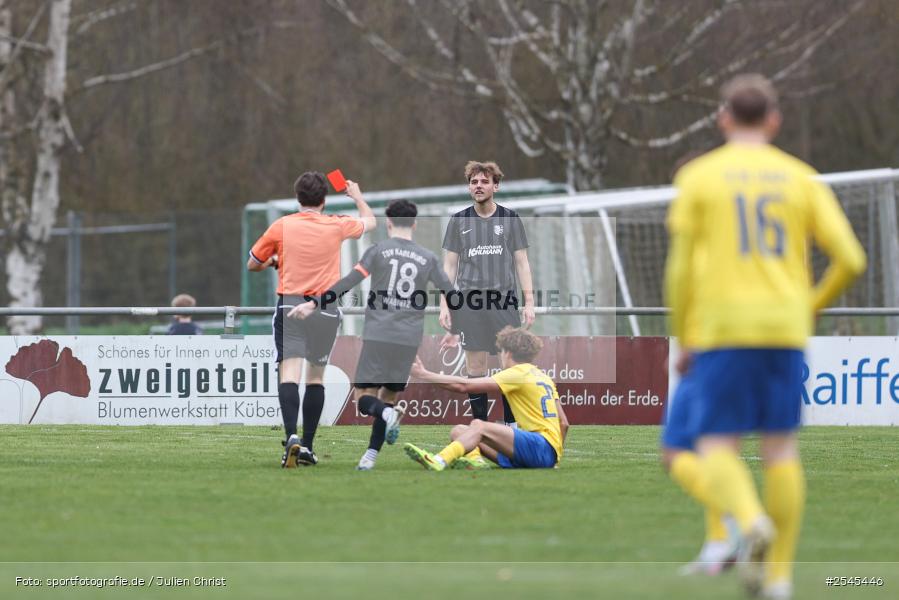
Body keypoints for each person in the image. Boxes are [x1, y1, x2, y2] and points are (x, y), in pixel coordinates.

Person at [665, 74, 866, 599]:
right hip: (783, 328)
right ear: (774, 120)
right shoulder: (800, 178)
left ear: (723, 119)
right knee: (780, 451)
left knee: (714, 443)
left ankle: (750, 522)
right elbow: (850, 259)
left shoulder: (700, 176)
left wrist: (683, 334)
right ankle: (778, 578)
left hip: (723, 327)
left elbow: (680, 272)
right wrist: (809, 307)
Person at [289, 199, 456, 471]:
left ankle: (387, 417)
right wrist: (455, 330)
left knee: (363, 398)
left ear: (388, 222)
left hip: (379, 332)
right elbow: (451, 294)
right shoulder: (429, 258)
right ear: (414, 224)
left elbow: (350, 281)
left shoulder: (378, 251)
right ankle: (370, 457)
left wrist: (314, 303)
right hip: (408, 337)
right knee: (388, 396)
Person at [247, 171, 376, 468]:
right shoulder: (336, 224)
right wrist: (357, 197)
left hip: (290, 305)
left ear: (297, 198)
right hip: (325, 307)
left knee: (289, 373)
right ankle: (307, 446)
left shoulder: (282, 225)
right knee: (315, 377)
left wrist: (274, 261)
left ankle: (291, 436)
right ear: (324, 199)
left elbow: (252, 263)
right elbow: (370, 223)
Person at [439, 161, 536, 428]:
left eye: (484, 181)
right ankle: (480, 427)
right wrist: (445, 304)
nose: (478, 186)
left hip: (503, 301)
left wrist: (529, 302)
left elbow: (522, 262)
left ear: (496, 185)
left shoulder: (510, 219)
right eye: (474, 182)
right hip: (469, 303)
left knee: (511, 367)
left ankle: (511, 427)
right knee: (476, 368)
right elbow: (448, 267)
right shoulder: (459, 221)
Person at [405, 326, 568, 471]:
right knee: (460, 431)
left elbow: (464, 386)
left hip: (538, 448)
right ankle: (475, 462)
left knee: (479, 425)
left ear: (508, 352)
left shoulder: (517, 373)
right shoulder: (543, 377)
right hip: (541, 452)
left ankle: (439, 460)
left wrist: (423, 374)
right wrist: (553, 458)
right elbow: (564, 423)